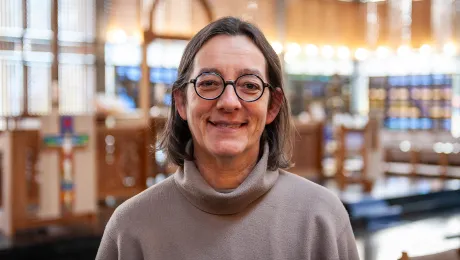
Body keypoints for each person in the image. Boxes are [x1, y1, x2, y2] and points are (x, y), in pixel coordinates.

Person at [96, 17, 360, 260]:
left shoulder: (321, 218)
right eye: (209, 82)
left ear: (273, 106)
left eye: (250, 85)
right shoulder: (131, 227)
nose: (229, 102)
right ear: (181, 102)